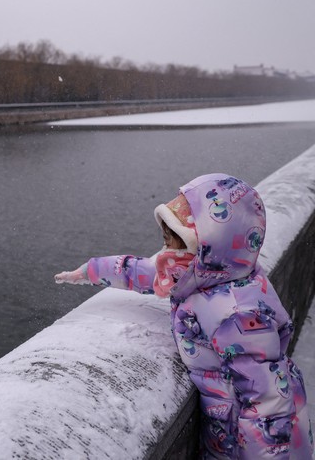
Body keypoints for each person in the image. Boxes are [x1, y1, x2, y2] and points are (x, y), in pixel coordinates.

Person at [55, 173, 313, 459]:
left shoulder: (238, 315)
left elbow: (267, 406)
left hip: (245, 442)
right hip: (224, 432)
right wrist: (92, 270)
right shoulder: (215, 270)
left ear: (206, 247)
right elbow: (146, 272)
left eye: (173, 243)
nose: (165, 253)